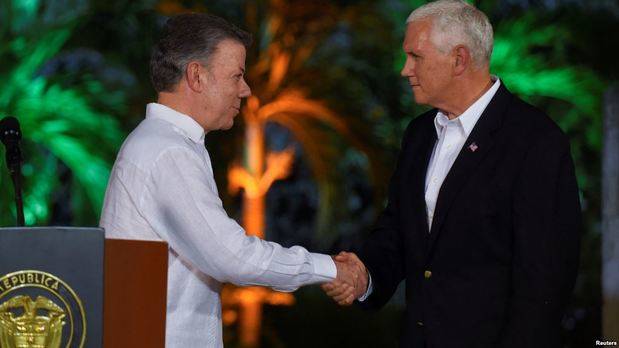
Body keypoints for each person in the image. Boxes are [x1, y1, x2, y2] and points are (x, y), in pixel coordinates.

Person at [322, 1, 582, 347]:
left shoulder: (536, 142)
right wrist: (365, 276)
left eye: (416, 57)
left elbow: (545, 282)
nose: (405, 70)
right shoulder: (419, 135)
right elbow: (399, 233)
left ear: (459, 59)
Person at [100, 13, 358, 348]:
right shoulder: (168, 151)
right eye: (236, 76)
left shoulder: (165, 143)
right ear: (197, 75)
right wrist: (329, 269)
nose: (245, 90)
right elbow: (230, 255)